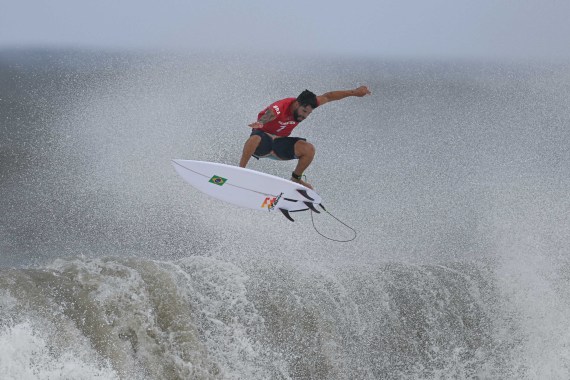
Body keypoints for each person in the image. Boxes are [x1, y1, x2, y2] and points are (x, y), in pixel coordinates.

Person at [239, 86, 371, 189]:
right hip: (262, 143)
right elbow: (270, 114)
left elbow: (329, 96)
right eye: (304, 111)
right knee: (255, 138)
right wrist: (261, 122)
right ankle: (240, 171)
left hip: (281, 145)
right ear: (297, 104)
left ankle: (296, 178)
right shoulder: (281, 106)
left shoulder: (309, 103)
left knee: (309, 149)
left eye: (308, 113)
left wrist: (355, 92)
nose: (305, 116)